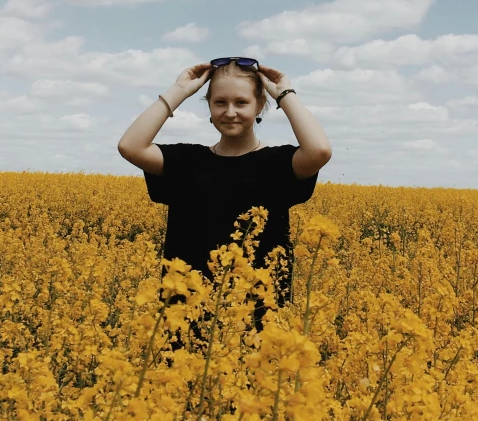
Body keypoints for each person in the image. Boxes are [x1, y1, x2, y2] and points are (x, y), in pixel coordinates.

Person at [117, 56, 332, 349]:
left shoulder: (278, 165)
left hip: (257, 320)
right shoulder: (186, 162)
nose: (230, 112)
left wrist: (284, 94)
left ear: (260, 106)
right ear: (208, 107)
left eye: (241, 103)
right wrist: (179, 90)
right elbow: (130, 145)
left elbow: (320, 150)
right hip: (186, 318)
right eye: (220, 102)